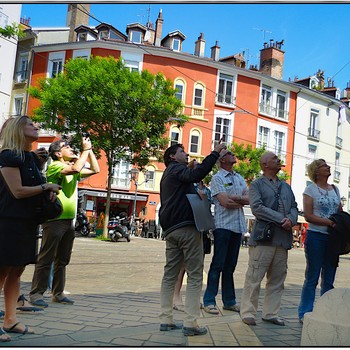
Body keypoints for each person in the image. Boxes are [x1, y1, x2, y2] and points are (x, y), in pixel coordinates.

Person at [0, 116, 61, 341]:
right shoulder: (9, 156)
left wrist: (46, 190)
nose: (36, 126)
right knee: (3, 272)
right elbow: (17, 191)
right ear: (18, 130)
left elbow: (31, 187)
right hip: (8, 221)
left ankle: (11, 319)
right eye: (30, 124)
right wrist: (46, 186)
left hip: (26, 220)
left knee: (16, 271)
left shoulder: (29, 158)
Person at [159, 141, 226, 337]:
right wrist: (215, 153)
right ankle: (190, 322)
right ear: (172, 157)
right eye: (182, 151)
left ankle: (166, 319)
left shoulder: (169, 174)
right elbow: (197, 174)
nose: (186, 154)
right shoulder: (177, 169)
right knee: (195, 274)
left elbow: (188, 178)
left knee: (170, 274)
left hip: (170, 229)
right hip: (187, 227)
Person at [29, 136, 100, 308]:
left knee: (62, 260)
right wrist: (84, 151)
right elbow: (76, 168)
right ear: (58, 153)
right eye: (66, 146)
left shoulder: (70, 167)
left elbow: (95, 169)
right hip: (54, 220)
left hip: (69, 220)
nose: (71, 148)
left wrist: (88, 151)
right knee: (46, 258)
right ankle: (36, 293)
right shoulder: (55, 166)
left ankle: (58, 293)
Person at [240, 151, 298, 326]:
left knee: (278, 278)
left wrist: (292, 220)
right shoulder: (257, 185)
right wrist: (282, 219)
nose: (278, 160)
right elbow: (257, 208)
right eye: (274, 158)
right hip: (263, 239)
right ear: (264, 164)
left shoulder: (286, 186)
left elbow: (294, 207)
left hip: (282, 239)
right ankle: (248, 312)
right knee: (254, 276)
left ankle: (271, 313)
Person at [203, 150, 249, 315]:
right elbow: (224, 202)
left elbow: (249, 198)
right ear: (222, 160)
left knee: (230, 266)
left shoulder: (239, 177)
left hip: (237, 227)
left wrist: (234, 200)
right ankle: (209, 300)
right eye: (229, 153)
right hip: (223, 226)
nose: (233, 155)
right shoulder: (217, 178)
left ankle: (229, 301)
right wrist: (240, 200)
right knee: (218, 264)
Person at [298, 159, 342, 323]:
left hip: (333, 238)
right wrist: (329, 223)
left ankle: (326, 311)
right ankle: (305, 312)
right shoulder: (310, 190)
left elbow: (339, 212)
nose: (328, 167)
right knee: (312, 276)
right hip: (316, 235)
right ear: (317, 171)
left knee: (329, 277)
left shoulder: (335, 190)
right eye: (324, 165)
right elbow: (308, 216)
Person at [172, 159, 212, 312]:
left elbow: (209, 204)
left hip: (201, 228)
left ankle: (193, 298)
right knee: (181, 265)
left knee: (197, 266)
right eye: (196, 168)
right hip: (188, 226)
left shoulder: (206, 189)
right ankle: (176, 298)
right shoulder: (186, 184)